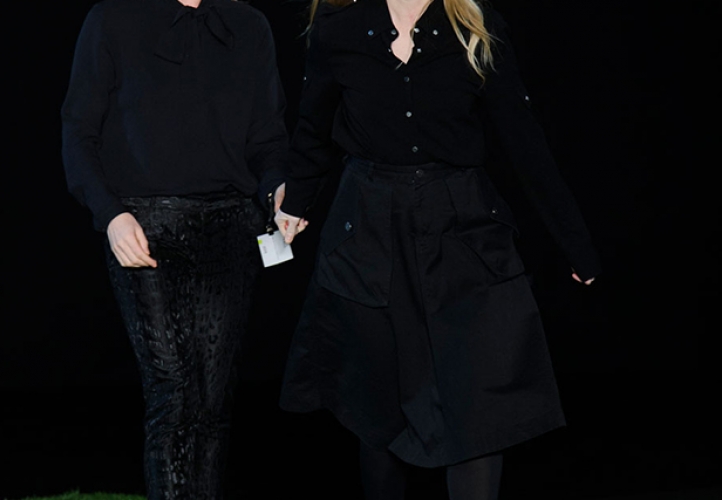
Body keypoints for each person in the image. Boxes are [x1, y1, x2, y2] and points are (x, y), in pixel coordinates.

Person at [275, 0, 600, 498]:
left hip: (463, 234)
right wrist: (294, 204)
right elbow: (314, 130)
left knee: (479, 409)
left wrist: (572, 240)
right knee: (377, 412)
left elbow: (522, 137)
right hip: (368, 234)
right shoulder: (338, 28)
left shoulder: (476, 28)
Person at [61, 0, 299, 498]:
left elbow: (268, 136)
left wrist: (278, 191)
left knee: (212, 400)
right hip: (146, 228)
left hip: (231, 227)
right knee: (172, 393)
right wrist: (111, 215)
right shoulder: (113, 18)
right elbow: (78, 132)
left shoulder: (248, 24)